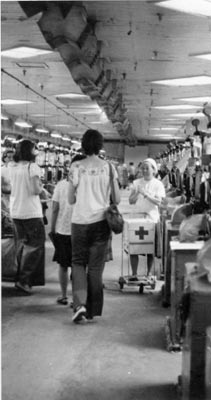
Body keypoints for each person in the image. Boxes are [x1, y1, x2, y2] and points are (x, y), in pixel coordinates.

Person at [68, 129, 120, 323]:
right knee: (96, 268)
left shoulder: (75, 166)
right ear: (100, 145)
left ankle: (80, 304)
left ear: (83, 144)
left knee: (78, 263)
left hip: (79, 221)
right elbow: (117, 198)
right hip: (100, 223)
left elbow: (70, 199)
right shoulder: (108, 167)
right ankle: (92, 310)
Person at [7, 140, 45, 295]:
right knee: (35, 246)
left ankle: (19, 278)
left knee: (21, 245)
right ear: (30, 151)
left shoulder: (11, 167)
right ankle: (24, 280)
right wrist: (42, 187)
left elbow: (9, 187)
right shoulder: (33, 167)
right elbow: (36, 190)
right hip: (32, 212)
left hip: (15, 211)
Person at [50, 154, 86, 306]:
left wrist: (52, 229)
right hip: (81, 230)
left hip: (63, 230)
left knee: (63, 265)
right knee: (79, 267)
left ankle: (64, 295)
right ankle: (76, 299)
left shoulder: (60, 185)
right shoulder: (86, 186)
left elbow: (55, 209)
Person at [128, 158, 165, 279]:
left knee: (150, 248)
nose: (144, 170)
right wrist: (137, 193)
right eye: (142, 168)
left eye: (147, 168)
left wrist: (146, 194)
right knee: (134, 248)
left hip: (152, 219)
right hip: (137, 218)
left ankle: (149, 274)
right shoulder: (136, 182)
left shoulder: (158, 184)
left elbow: (158, 202)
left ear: (154, 170)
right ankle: (134, 274)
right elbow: (131, 201)